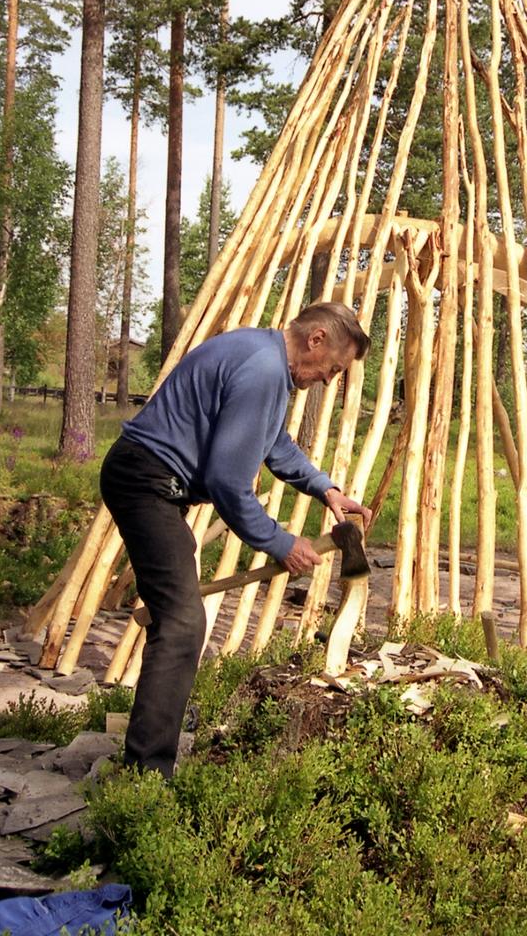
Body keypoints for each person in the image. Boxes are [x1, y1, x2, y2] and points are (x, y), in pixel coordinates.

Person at [100, 301, 372, 777]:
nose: (329, 381)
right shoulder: (264, 369)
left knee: (176, 611)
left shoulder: (264, 357)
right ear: (316, 340)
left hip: (152, 481)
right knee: (183, 623)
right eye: (333, 369)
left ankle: (152, 739)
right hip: (145, 481)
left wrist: (324, 488)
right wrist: (280, 542)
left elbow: (275, 443)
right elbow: (227, 482)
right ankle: (146, 777)